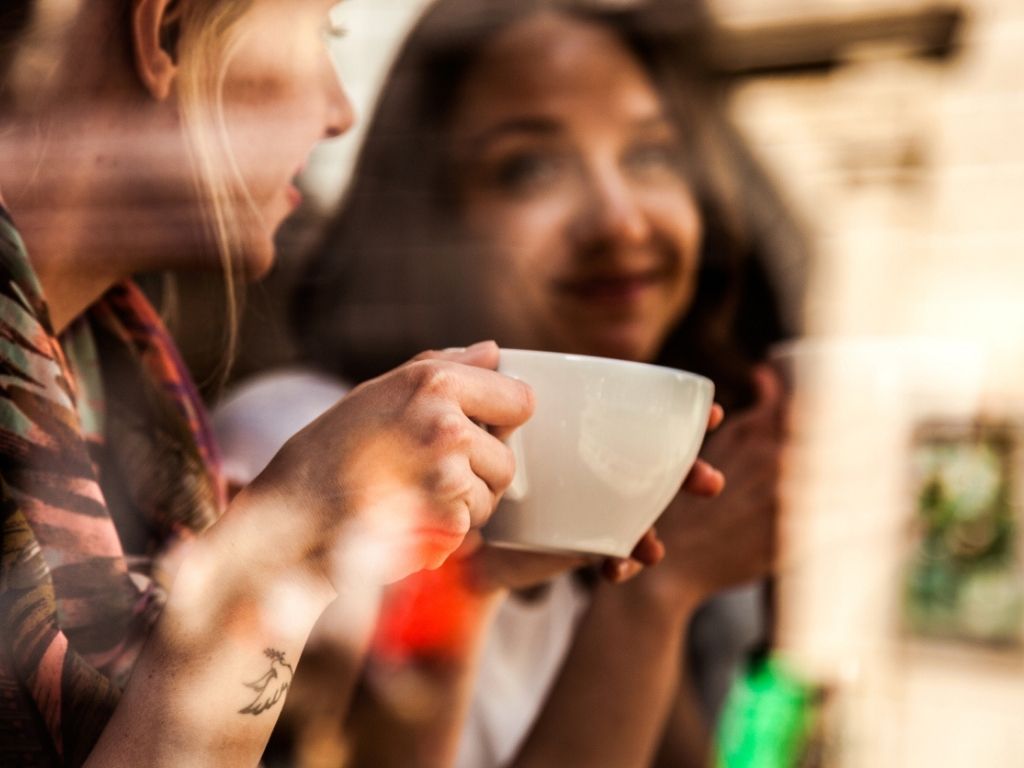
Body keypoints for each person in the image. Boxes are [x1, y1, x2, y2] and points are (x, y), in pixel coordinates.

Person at [0, 2, 728, 765]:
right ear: (166, 30)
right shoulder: (271, 430)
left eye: (652, 154)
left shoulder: (125, 394)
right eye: (323, 33)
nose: (341, 113)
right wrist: (287, 543)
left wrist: (475, 579)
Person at [214, 0, 805, 765]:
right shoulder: (303, 445)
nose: (622, 220)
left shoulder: (586, 508)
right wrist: (660, 596)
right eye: (531, 167)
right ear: (425, 221)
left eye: (652, 154)